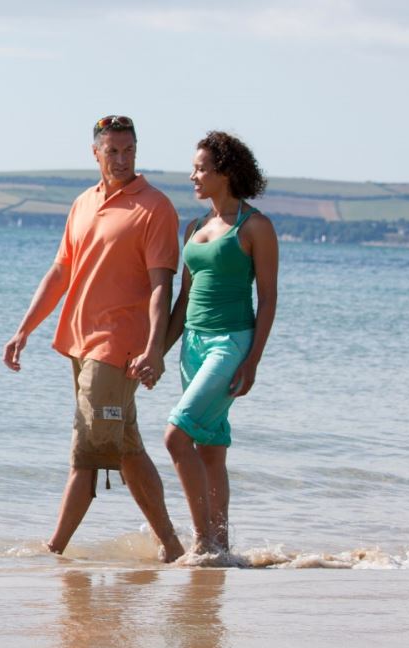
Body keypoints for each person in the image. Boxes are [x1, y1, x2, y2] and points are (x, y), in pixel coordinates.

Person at [2, 114, 187, 563]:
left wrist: (153, 349)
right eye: (113, 151)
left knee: (86, 450)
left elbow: (163, 284)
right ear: (96, 153)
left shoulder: (155, 208)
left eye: (129, 151)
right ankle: (175, 548)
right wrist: (25, 328)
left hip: (118, 348)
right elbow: (62, 270)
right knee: (125, 449)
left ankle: (53, 551)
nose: (122, 159)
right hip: (80, 346)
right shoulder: (83, 203)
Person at [163, 131, 279, 556]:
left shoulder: (256, 227)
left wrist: (253, 360)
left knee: (176, 437)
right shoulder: (194, 227)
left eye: (200, 169)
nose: (193, 176)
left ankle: (200, 544)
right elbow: (184, 299)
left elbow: (267, 298)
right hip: (191, 345)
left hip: (230, 344)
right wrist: (156, 353)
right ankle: (222, 548)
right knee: (210, 449)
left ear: (224, 173)